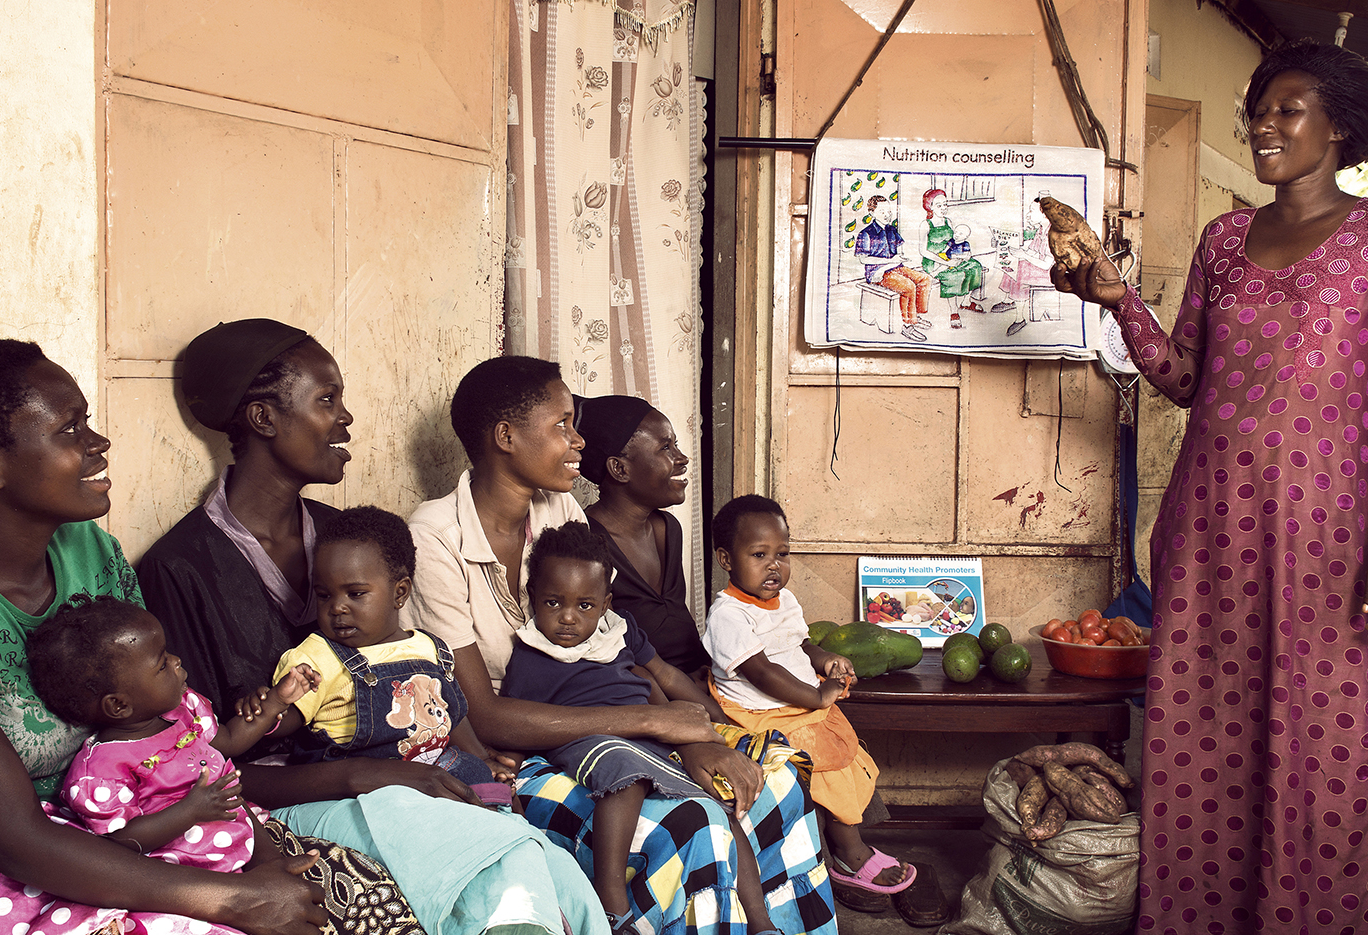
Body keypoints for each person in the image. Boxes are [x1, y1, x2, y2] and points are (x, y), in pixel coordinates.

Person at [1051, 40, 1368, 935]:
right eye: (1258, 109)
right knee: (1199, 732)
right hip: (1207, 521)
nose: (1264, 123)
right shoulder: (1225, 238)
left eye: (1287, 108)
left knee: (1318, 740)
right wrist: (1117, 298)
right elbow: (1186, 375)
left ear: (1339, 128)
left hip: (1326, 531)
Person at [136, 320, 605, 935]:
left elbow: (416, 676)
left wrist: (457, 757)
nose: (347, 417)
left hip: (399, 778)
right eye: (327, 400)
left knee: (558, 871)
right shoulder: (182, 567)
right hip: (287, 803)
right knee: (502, 870)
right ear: (262, 418)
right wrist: (368, 774)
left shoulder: (349, 539)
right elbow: (203, 765)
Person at [0, 340, 327, 935]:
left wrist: (259, 857)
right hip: (24, 886)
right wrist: (231, 900)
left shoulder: (90, 552)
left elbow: (168, 733)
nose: (98, 443)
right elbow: (20, 842)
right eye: (70, 429)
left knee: (338, 894)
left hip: (160, 832)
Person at [404, 356, 836, 935]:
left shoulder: (556, 509)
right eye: (562, 425)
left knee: (776, 782)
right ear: (506, 437)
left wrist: (692, 736)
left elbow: (618, 652)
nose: (578, 441)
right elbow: (486, 714)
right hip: (521, 745)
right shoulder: (434, 536)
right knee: (691, 823)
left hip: (605, 721)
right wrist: (662, 727)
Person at [501, 523, 778, 935]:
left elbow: (658, 680)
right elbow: (514, 719)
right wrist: (510, 763)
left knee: (721, 815)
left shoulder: (619, 630)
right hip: (587, 740)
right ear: (532, 597)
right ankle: (612, 903)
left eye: (586, 606)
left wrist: (714, 722)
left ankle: (761, 924)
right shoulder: (531, 653)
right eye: (553, 602)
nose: (568, 618)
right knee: (623, 768)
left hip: (648, 740)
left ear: (606, 603)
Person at [0, 596, 326, 933]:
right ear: (119, 705)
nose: (177, 661)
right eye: (162, 663)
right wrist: (189, 812)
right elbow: (120, 844)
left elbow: (228, 741)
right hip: (185, 880)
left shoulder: (182, 709)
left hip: (243, 844)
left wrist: (278, 700)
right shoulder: (103, 769)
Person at [702, 495, 942, 925]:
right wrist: (816, 696)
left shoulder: (785, 602)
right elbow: (762, 672)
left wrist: (825, 660)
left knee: (844, 749)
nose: (774, 565)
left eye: (783, 554)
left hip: (798, 704)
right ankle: (849, 853)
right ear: (725, 559)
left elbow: (799, 645)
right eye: (759, 555)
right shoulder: (729, 615)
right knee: (825, 765)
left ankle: (849, 845)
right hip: (764, 713)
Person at [263, 506, 511, 801]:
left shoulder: (430, 648)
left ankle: (500, 819)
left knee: (478, 777)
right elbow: (286, 721)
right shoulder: (317, 657)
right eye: (324, 595)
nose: (337, 607)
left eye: (355, 594)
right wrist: (267, 707)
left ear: (400, 592)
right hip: (364, 785)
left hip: (432, 765)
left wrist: (482, 757)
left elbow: (451, 717)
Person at [574, 394, 711, 677]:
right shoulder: (586, 544)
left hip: (703, 680)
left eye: (676, 445)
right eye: (665, 448)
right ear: (620, 469)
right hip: (649, 696)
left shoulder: (668, 528)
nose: (682, 458)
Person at [854, 195, 933, 342]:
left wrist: (899, 258)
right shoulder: (866, 233)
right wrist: (889, 261)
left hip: (896, 267)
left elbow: (899, 250)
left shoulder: (891, 229)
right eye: (882, 211)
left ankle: (916, 315)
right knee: (908, 286)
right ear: (872, 213)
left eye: (889, 211)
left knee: (925, 279)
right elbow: (863, 259)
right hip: (877, 272)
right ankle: (908, 326)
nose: (887, 214)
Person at [919, 188, 991, 328]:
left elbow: (955, 242)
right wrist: (946, 261)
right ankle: (954, 312)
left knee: (975, 266)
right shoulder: (926, 225)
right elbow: (923, 251)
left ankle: (965, 301)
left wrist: (963, 254)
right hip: (934, 261)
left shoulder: (948, 222)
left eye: (945, 204)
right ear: (930, 206)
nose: (943, 208)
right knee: (954, 275)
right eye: (939, 205)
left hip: (952, 256)